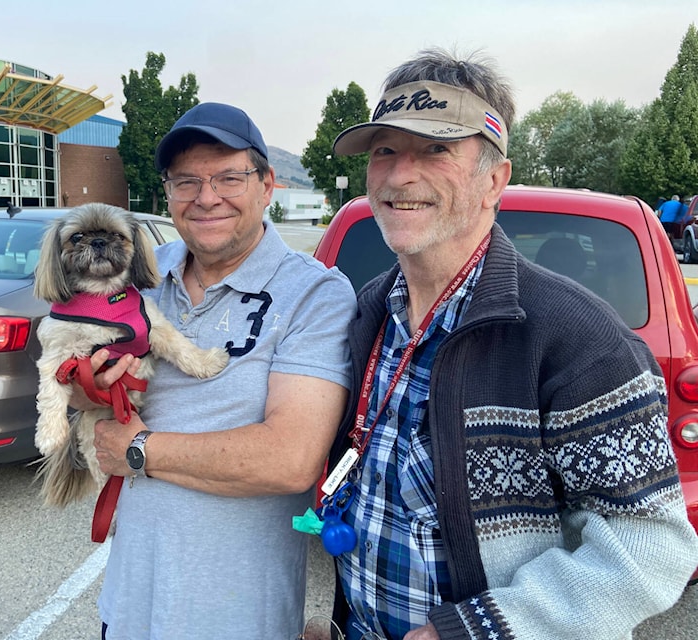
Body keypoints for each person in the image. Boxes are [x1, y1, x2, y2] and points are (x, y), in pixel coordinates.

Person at [326, 48, 698, 640]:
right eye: (385, 151)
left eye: (436, 149)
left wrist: (476, 630)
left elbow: (651, 547)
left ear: (494, 179)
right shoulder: (369, 310)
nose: (399, 175)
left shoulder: (577, 338)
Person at [78, 102, 357, 638]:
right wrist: (85, 383)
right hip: (129, 605)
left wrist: (139, 451)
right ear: (167, 192)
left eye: (229, 176)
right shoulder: (141, 275)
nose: (206, 197)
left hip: (236, 617)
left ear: (267, 184)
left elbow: (291, 460)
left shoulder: (314, 294)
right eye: (186, 181)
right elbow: (77, 383)